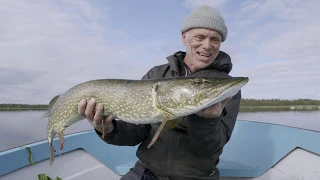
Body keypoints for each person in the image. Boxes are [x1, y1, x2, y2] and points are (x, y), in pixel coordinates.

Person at [78, 5, 241, 180]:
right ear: (184, 38)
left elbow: (210, 149)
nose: (207, 45)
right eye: (200, 37)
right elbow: (138, 131)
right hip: (147, 173)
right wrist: (109, 128)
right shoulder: (156, 75)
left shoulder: (226, 89)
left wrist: (206, 122)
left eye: (215, 39)